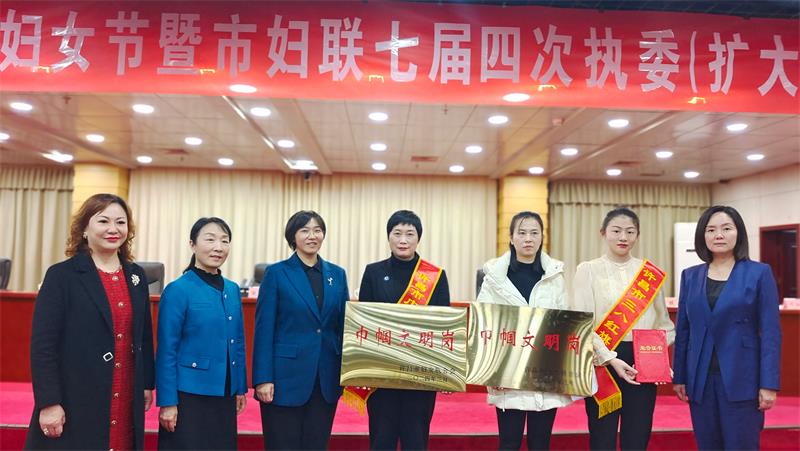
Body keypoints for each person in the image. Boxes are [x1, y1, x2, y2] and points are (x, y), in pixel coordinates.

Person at [25, 193, 155, 450]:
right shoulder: (62, 276)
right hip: (76, 396)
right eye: (103, 221)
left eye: (120, 222)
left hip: (125, 392)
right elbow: (43, 346)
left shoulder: (136, 276)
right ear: (84, 228)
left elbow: (143, 336)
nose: (113, 229)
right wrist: (49, 402)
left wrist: (146, 384)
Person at [672, 206, 781, 450]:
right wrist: (680, 376)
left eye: (726, 228)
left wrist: (769, 383)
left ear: (738, 233)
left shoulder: (759, 273)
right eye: (711, 230)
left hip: (743, 379)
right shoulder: (690, 276)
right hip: (700, 380)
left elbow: (771, 333)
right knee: (707, 445)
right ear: (703, 235)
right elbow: (684, 331)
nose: (718, 235)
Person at [573, 207, 675, 450]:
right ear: (603, 233)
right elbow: (581, 323)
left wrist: (654, 358)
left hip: (641, 364)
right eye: (616, 231)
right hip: (602, 362)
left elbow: (665, 325)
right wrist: (609, 358)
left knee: (637, 437)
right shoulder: (588, 270)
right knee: (602, 438)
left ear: (637, 235)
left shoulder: (649, 274)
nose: (623, 237)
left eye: (630, 232)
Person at [252, 211, 350, 450]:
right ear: (293, 237)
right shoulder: (277, 273)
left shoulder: (337, 275)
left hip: (325, 378)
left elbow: (344, 327)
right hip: (285, 378)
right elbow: (264, 330)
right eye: (304, 230)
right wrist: (263, 378)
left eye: (317, 230)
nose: (312, 236)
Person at [476, 211, 573, 451]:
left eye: (534, 233)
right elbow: (485, 325)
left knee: (541, 443)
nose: (528, 238)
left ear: (542, 237)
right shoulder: (494, 277)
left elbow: (564, 324)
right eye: (521, 233)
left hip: (545, 372)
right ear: (511, 238)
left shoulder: (554, 276)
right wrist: (494, 372)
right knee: (509, 443)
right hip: (507, 374)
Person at [357, 210, 450, 450]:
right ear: (388, 236)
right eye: (397, 233)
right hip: (382, 373)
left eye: (410, 234)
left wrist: (446, 371)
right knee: (381, 440)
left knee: (415, 440)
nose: (403, 240)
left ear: (418, 238)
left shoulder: (435, 276)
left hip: (420, 375)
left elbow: (443, 327)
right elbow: (363, 323)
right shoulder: (373, 272)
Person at [155, 217, 247, 450]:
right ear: (192, 244)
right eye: (210, 239)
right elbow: (167, 350)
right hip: (188, 394)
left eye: (224, 241)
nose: (218, 247)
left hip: (225, 392)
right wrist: (167, 402)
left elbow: (238, 342)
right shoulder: (178, 290)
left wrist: (239, 388)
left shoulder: (232, 289)